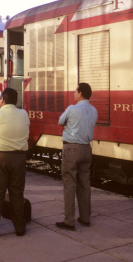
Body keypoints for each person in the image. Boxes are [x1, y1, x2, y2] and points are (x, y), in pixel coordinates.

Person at [0, 88, 30, 239]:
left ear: (2, 100)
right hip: (19, 158)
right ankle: (20, 227)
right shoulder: (24, 114)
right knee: (17, 193)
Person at [55, 83, 98, 231]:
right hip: (87, 149)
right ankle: (85, 218)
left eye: (75, 91)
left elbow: (60, 122)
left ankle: (69, 220)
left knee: (69, 184)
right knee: (84, 184)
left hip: (72, 149)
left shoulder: (72, 109)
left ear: (80, 93)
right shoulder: (94, 111)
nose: (74, 93)